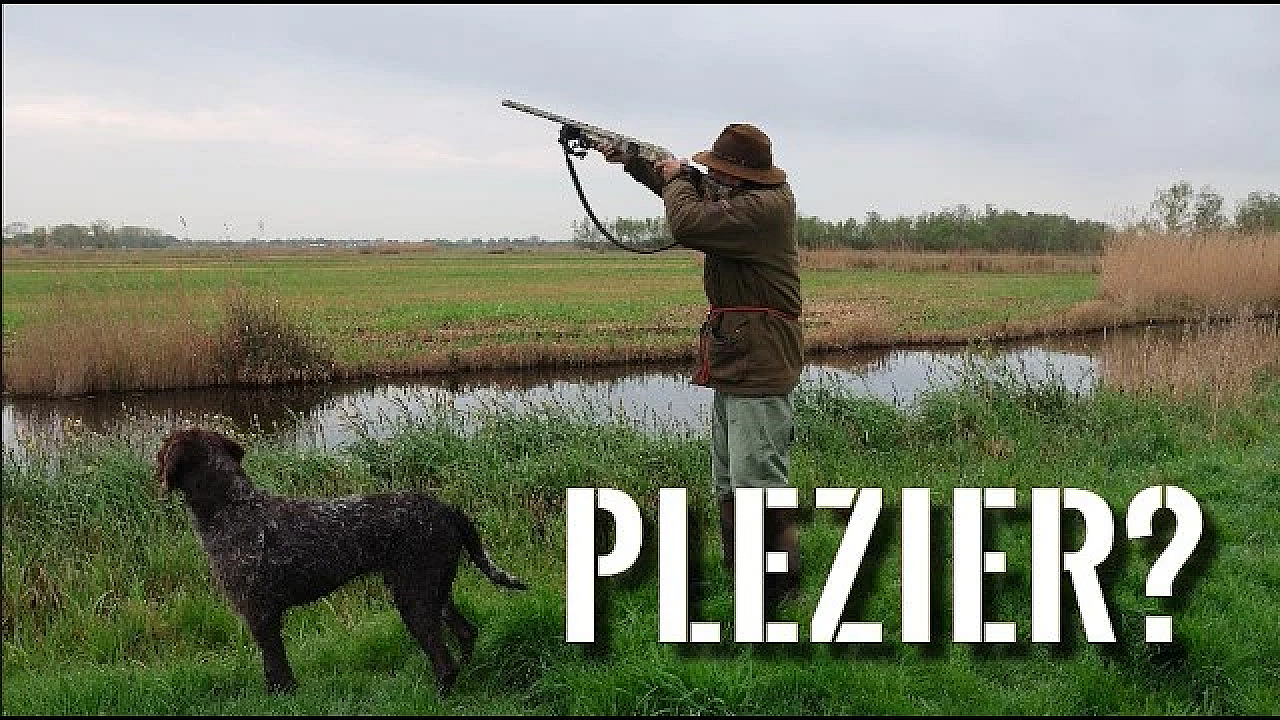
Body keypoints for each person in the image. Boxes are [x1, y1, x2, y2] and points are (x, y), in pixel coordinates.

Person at [597, 123, 803, 612]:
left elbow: (688, 221)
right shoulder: (746, 198)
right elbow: (690, 194)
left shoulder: (763, 211)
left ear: (742, 178)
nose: (717, 178)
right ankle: (745, 583)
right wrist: (635, 161)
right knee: (731, 481)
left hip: (761, 359)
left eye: (722, 172)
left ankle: (778, 593)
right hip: (737, 357)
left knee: (759, 482)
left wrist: (675, 177)